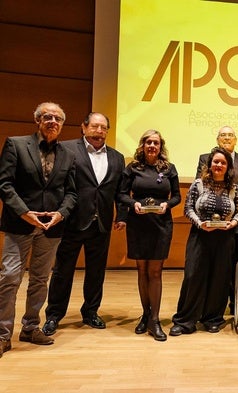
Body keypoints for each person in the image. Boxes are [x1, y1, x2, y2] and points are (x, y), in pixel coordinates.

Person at [0, 102, 77, 357]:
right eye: (48, 117)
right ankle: (2, 334)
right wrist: (25, 213)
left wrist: (61, 214)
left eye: (58, 118)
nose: (53, 121)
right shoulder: (16, 144)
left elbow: (72, 193)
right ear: (37, 120)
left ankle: (31, 327)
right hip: (20, 223)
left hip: (51, 228)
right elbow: (5, 185)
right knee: (10, 278)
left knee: (40, 280)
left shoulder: (68, 154)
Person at [43, 112, 126, 336]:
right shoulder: (66, 149)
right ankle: (54, 315)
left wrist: (122, 215)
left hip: (102, 224)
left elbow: (120, 191)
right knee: (62, 271)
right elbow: (56, 183)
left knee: (96, 272)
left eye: (103, 128)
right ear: (84, 127)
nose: (99, 131)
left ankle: (90, 312)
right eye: (95, 127)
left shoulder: (117, 157)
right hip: (71, 222)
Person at [170, 147, 238, 336]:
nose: (219, 165)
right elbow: (188, 208)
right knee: (193, 277)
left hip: (225, 238)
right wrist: (200, 223)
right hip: (200, 236)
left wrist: (233, 223)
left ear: (228, 167)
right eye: (216, 162)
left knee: (219, 279)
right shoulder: (198, 184)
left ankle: (213, 318)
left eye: (223, 163)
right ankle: (185, 320)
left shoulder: (234, 188)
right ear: (210, 164)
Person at [118, 129, 181, 341]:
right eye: (148, 142)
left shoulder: (169, 169)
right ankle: (145, 314)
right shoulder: (132, 168)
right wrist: (133, 203)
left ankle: (154, 320)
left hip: (161, 224)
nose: (152, 146)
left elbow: (177, 197)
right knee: (141, 270)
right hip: (138, 223)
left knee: (155, 272)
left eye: (156, 142)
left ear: (160, 146)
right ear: (142, 145)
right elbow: (121, 194)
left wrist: (166, 204)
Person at [196, 126, 238, 313]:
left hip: (236, 223)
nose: (227, 138)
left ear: (236, 139)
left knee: (231, 265)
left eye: (230, 135)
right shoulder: (205, 158)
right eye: (223, 135)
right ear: (217, 139)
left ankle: (233, 304)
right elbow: (200, 186)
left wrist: (231, 202)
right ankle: (207, 305)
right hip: (208, 224)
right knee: (207, 267)